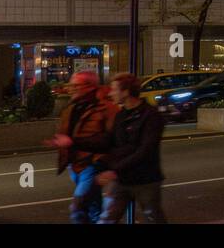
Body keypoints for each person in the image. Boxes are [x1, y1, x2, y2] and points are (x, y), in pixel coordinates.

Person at [61, 72, 167, 223]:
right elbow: (108, 142)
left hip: (145, 180)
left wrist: (113, 171)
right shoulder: (122, 115)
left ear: (126, 91)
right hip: (122, 180)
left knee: (153, 217)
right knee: (107, 218)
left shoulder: (151, 116)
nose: (110, 93)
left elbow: (144, 151)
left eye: (114, 89)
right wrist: (73, 142)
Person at [45, 70, 117, 224]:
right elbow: (67, 131)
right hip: (75, 163)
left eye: (75, 85)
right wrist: (59, 142)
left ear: (89, 86)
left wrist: (108, 164)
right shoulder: (72, 107)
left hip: (92, 163)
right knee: (93, 206)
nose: (71, 88)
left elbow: (112, 139)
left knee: (78, 207)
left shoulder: (106, 108)